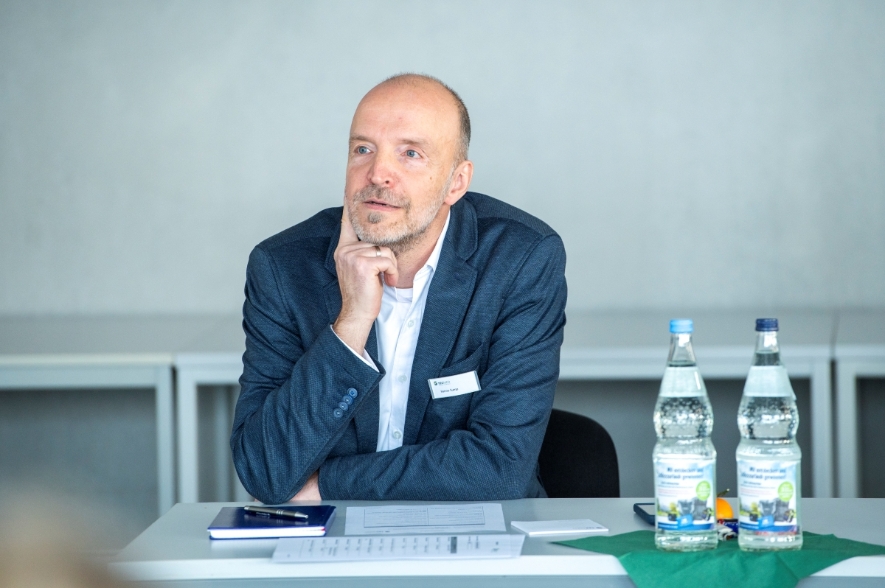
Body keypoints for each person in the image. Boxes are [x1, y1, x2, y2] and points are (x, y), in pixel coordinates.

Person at [230, 73, 567, 504]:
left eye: (410, 153)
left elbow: (499, 469)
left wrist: (328, 484)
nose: (378, 173)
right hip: (330, 544)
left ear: (456, 182)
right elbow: (264, 470)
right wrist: (350, 323)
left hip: (477, 542)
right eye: (363, 149)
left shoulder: (520, 259)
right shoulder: (281, 267)